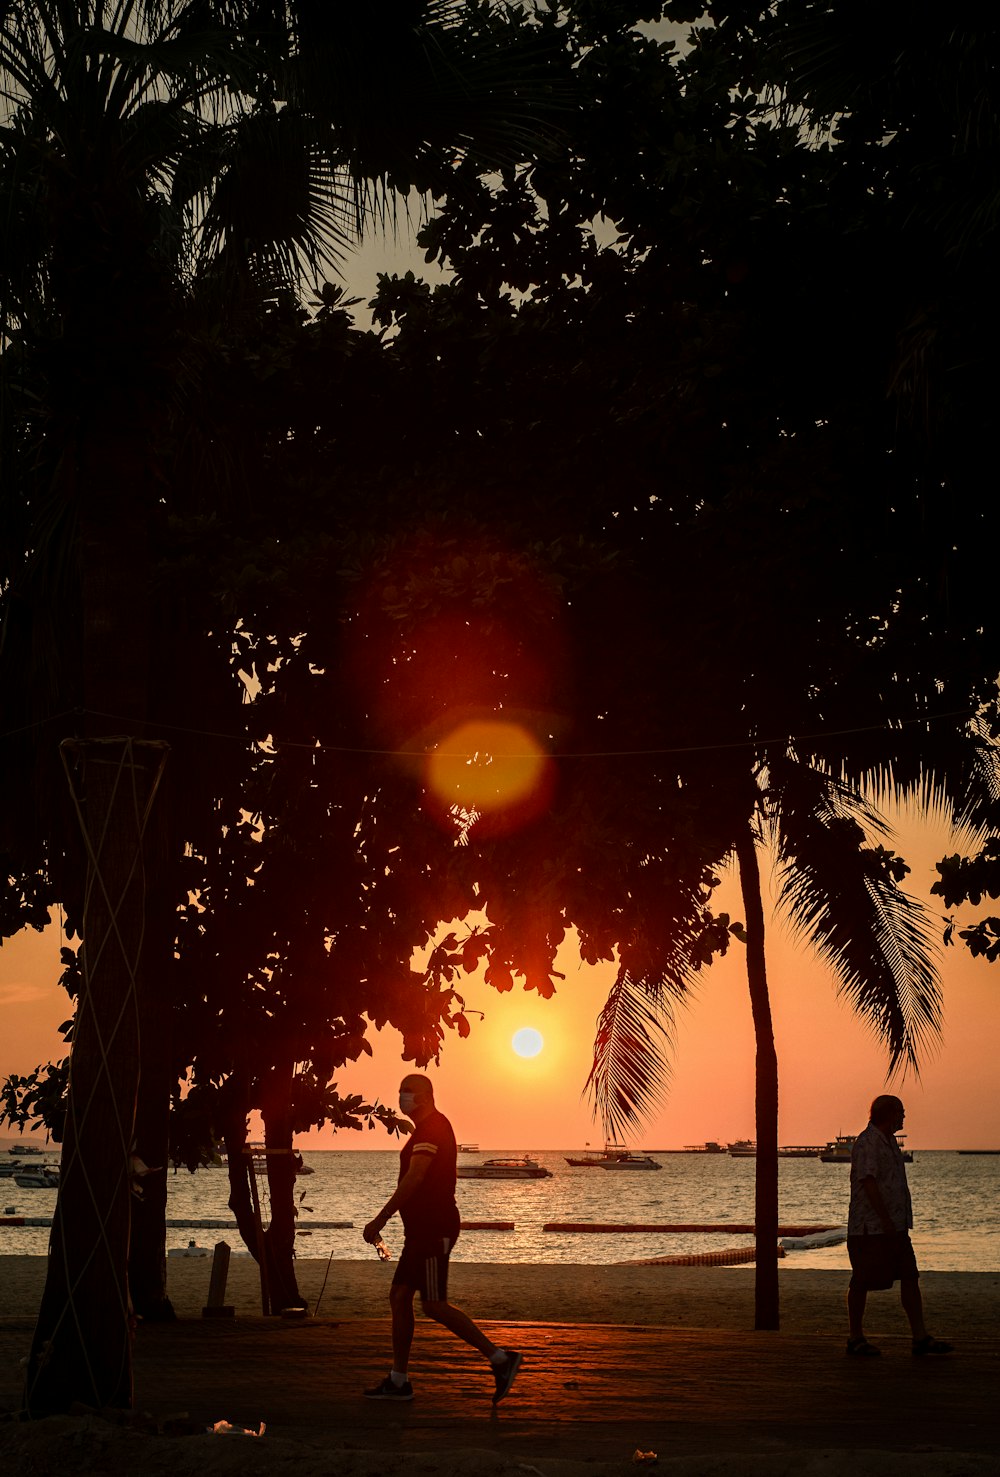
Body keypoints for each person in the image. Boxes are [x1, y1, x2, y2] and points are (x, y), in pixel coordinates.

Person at [362, 1073, 522, 1403]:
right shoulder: (425, 1129)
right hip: (420, 1231)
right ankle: (399, 1380)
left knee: (433, 1304)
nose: (402, 1096)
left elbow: (416, 1176)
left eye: (409, 1091)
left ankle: (501, 1360)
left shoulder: (433, 1127)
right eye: (400, 1090)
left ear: (426, 1096)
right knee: (400, 1295)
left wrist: (381, 1217)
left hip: (434, 1230)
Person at [845, 1093, 952, 1358]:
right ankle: (855, 1337)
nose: (904, 1116)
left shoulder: (890, 1142)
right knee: (861, 1281)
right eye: (901, 1112)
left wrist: (896, 1221)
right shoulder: (868, 1142)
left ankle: (920, 1336)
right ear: (890, 1113)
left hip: (895, 1226)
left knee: (909, 1276)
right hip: (870, 1228)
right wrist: (884, 1219)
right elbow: (867, 1182)